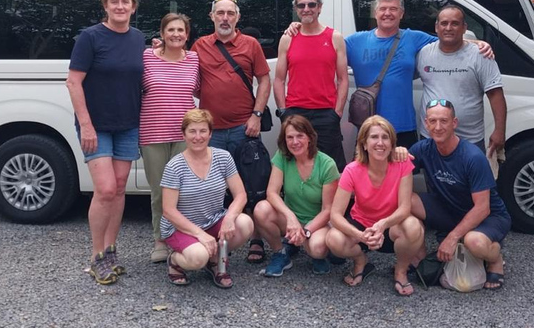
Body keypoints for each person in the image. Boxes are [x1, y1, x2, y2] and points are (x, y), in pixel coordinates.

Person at [66, 0, 144, 285]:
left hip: (127, 123)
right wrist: (85, 124)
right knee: (106, 189)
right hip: (95, 126)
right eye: (115, 2)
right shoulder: (90, 37)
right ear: (106, 6)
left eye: (125, 1)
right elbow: (73, 82)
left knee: (121, 187)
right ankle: (97, 255)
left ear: (133, 7)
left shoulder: (138, 39)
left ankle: (112, 250)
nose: (120, 6)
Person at [344, 0, 492, 148]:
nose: (388, 13)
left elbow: (448, 40)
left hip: (404, 127)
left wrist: (478, 43)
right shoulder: (354, 42)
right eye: (383, 9)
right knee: (370, 172)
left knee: (405, 173)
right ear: (375, 12)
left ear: (401, 13)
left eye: (393, 9)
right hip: (369, 127)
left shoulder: (414, 38)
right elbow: (325, 60)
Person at [191, 0, 272, 263]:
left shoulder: (250, 44)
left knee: (253, 185)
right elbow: (181, 69)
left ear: (238, 18)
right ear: (212, 16)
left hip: (243, 128)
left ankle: (256, 239)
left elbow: (264, 80)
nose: (225, 18)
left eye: (230, 13)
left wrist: (257, 115)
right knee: (210, 187)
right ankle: (212, 238)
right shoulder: (199, 45)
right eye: (220, 13)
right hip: (210, 133)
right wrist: (157, 51)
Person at [410, 99, 511, 290]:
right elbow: (395, 173)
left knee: (475, 242)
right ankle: (419, 258)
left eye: (444, 121)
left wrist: (452, 237)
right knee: (405, 200)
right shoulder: (422, 149)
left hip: (488, 216)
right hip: (450, 210)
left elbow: (483, 207)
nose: (438, 127)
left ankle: (495, 258)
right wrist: (397, 154)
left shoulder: (472, 157)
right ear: (426, 123)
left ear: (454, 123)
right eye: (432, 121)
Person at [326, 116, 424, 295]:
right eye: (374, 137)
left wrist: (382, 224)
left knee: (413, 226)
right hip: (362, 226)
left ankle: (400, 271)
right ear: (364, 143)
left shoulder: (402, 164)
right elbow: (335, 215)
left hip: (390, 225)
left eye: (385, 137)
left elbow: (404, 208)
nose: (380, 143)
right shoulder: (352, 170)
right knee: (333, 238)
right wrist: (361, 236)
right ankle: (361, 261)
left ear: (392, 142)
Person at [160, 109, 254, 288]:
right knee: (197, 258)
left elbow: (241, 195)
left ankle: (215, 260)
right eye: (192, 131)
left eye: (203, 131)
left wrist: (229, 218)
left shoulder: (223, 158)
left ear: (210, 133)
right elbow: (168, 210)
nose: (198, 137)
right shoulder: (174, 166)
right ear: (184, 134)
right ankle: (175, 261)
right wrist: (199, 234)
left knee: (245, 223)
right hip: (180, 227)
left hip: (213, 220)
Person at [140, 13, 200, 263]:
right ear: (162, 33)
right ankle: (160, 241)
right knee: (159, 192)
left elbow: (201, 90)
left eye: (181, 30)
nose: (176, 34)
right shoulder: (146, 57)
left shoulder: (195, 59)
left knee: (184, 192)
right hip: (152, 134)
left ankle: (182, 240)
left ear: (187, 35)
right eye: (171, 30)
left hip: (184, 137)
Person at [274, 0, 349, 170]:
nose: (306, 9)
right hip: (295, 112)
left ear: (320, 7)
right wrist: (284, 112)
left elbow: (343, 79)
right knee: (295, 165)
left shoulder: (334, 37)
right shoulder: (288, 38)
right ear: (296, 9)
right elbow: (279, 79)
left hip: (326, 113)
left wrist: (337, 112)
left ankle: (333, 201)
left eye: (311, 5)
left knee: (331, 166)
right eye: (301, 5)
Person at [253, 115, 340, 277]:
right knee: (261, 209)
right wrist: (290, 217)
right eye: (290, 137)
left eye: (300, 136)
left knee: (317, 249)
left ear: (310, 137)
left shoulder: (327, 164)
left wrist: (306, 231)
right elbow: (272, 192)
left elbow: (328, 210)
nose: (295, 142)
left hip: (316, 222)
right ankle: (281, 252)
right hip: (290, 219)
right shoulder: (282, 157)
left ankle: (312, 251)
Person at [417, 5, 507, 156]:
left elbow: (495, 94)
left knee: (472, 180)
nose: (449, 28)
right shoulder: (424, 53)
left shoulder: (481, 55)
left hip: (470, 139)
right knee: (433, 180)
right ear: (436, 27)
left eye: (455, 23)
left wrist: (499, 131)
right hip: (432, 137)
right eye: (444, 23)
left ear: (464, 28)